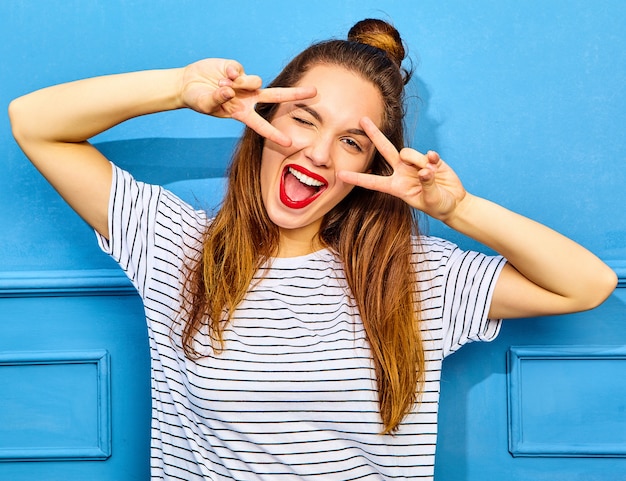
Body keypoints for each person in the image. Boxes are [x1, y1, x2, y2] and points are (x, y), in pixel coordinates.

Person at [9, 18, 616, 481]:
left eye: (351, 141)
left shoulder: (417, 277)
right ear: (265, 116)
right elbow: (34, 122)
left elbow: (586, 284)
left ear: (373, 164)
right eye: (303, 118)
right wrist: (179, 88)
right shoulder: (175, 245)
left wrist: (456, 210)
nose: (319, 154)